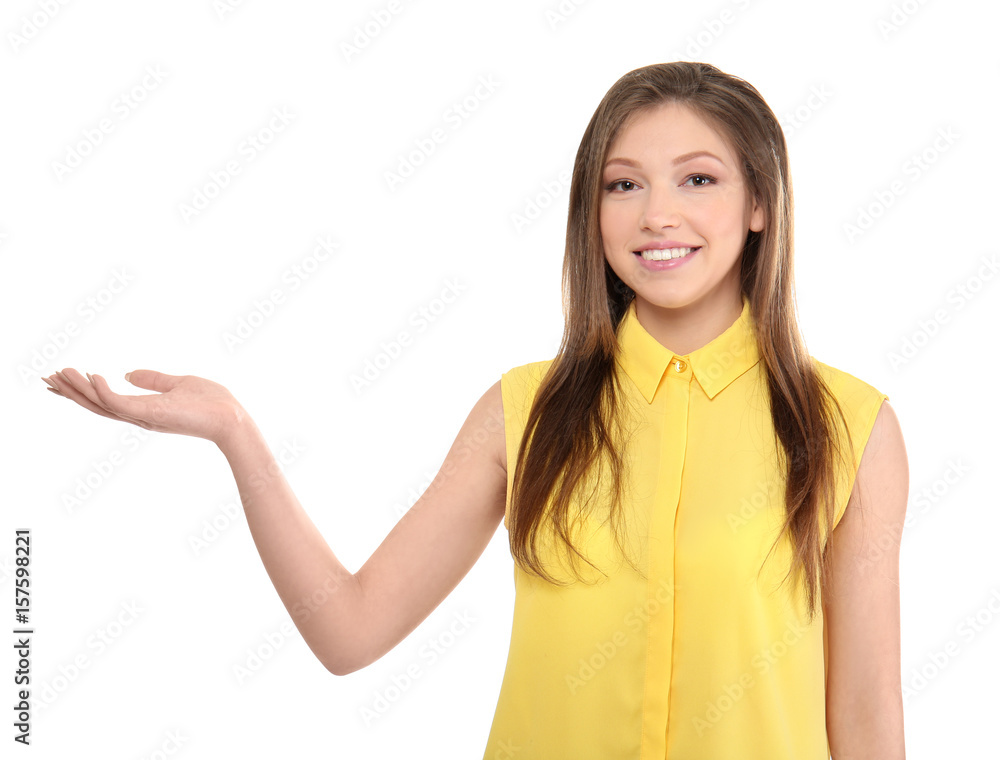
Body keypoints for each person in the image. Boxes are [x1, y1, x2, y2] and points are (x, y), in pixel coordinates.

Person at [42, 61, 907, 759]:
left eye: (699, 178)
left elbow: (866, 722)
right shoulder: (522, 412)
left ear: (760, 205)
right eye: (623, 184)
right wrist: (237, 434)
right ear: (591, 211)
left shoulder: (849, 428)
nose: (658, 214)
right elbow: (349, 629)